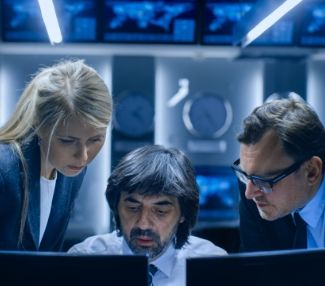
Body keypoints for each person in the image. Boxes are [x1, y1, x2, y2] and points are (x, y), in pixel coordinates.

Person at [68, 145, 227, 286]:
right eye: (132, 208)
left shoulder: (213, 266)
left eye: (161, 211)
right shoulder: (83, 260)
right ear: (116, 207)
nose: (143, 224)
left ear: (183, 214)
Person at [0, 59, 112, 251]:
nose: (83, 157)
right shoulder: (3, 170)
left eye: (95, 140)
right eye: (68, 141)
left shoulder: (70, 174)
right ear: (38, 124)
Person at [232, 98, 325, 252]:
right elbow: (256, 271)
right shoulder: (251, 191)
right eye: (245, 175)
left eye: (265, 180)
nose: (249, 194)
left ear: (311, 172)